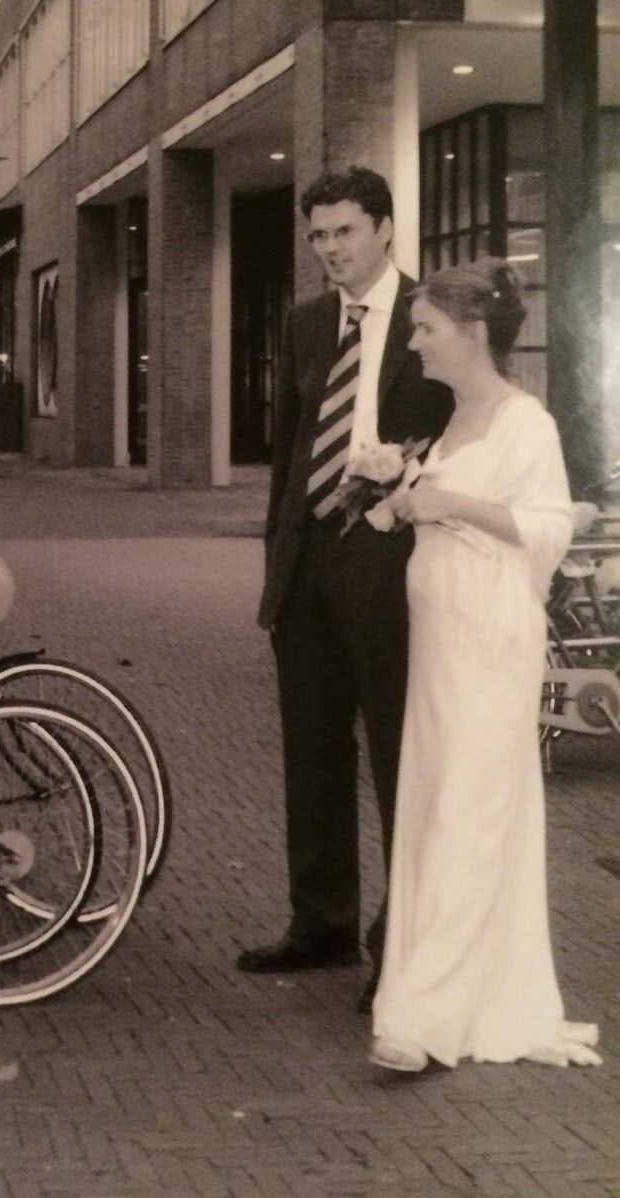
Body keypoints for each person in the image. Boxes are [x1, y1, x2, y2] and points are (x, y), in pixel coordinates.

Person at [369, 260, 600, 1072]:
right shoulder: (454, 417)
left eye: (425, 328)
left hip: (487, 636)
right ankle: (447, 993)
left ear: (472, 333)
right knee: (440, 803)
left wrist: (448, 504)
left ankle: (424, 1019)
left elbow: (547, 527)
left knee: (468, 806)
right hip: (441, 637)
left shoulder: (523, 421)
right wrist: (400, 491)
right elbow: (440, 508)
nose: (415, 342)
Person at [242, 167, 453, 1013]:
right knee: (313, 752)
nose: (330, 250)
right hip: (310, 568)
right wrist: (277, 568)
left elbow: (455, 433)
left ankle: (400, 945)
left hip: (393, 563)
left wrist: (407, 481)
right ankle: (321, 923)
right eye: (318, 236)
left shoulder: (432, 318)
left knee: (400, 757)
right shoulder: (302, 324)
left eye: (345, 233)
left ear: (385, 229)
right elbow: (292, 455)